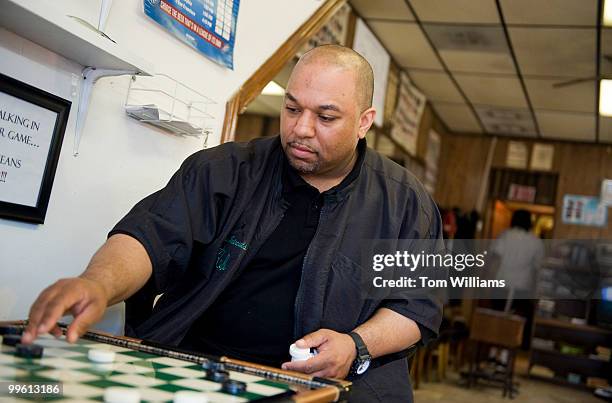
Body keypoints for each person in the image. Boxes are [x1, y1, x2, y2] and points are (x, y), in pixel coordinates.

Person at [22, 45, 443, 402]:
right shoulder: (223, 170)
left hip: (334, 389)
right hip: (200, 371)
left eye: (326, 117)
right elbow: (151, 237)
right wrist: (97, 283)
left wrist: (356, 345)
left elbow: (417, 308)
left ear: (364, 122)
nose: (301, 129)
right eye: (292, 108)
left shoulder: (406, 203)